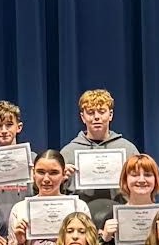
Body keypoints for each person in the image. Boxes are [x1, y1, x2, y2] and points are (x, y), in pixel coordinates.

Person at [59, 89, 141, 217]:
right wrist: (61, 179)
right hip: (79, 219)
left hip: (121, 215)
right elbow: (57, 196)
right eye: (90, 112)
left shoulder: (128, 150)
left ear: (111, 115)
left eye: (102, 112)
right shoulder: (68, 152)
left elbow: (142, 186)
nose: (96, 117)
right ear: (82, 117)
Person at [99, 153, 159, 245]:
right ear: (125, 180)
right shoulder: (112, 216)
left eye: (148, 175)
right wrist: (105, 239)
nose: (141, 180)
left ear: (156, 180)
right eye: (134, 175)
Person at [0, 100, 33, 226]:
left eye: (9, 125)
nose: (4, 130)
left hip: (25, 225)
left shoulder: (33, 160)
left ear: (19, 127)